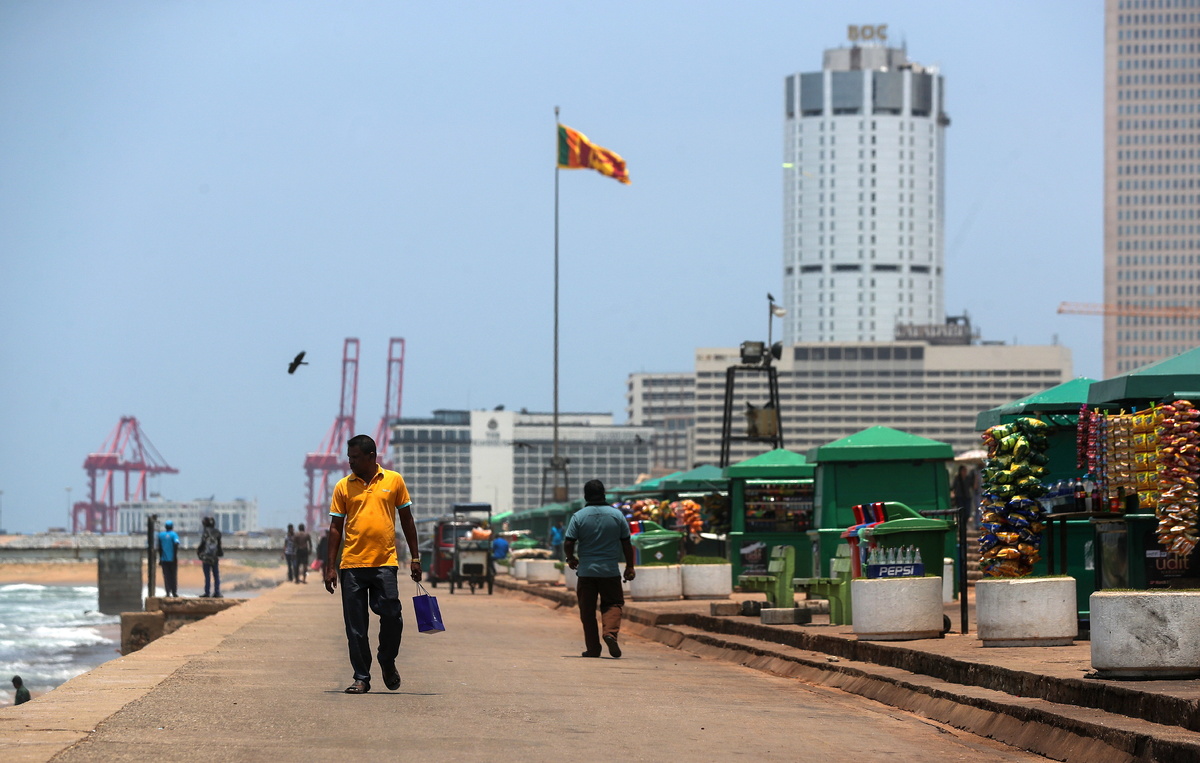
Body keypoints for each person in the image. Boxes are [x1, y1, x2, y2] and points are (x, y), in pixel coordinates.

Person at [324, 434, 421, 695]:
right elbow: (335, 528)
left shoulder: (394, 480)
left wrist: (415, 557)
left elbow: (407, 520)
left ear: (371, 457)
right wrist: (330, 566)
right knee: (356, 626)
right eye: (349, 457)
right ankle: (361, 677)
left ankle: (387, 660)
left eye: (355, 458)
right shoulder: (343, 486)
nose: (350, 462)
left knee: (392, 615)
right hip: (352, 565)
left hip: (384, 563)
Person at [565, 479, 635, 659]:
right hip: (610, 571)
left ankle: (593, 649)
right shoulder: (617, 515)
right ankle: (610, 634)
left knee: (587, 611)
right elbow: (627, 543)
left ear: (585, 496)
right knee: (613, 603)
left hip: (587, 572)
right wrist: (630, 566)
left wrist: (571, 558)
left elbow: (569, 542)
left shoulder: (578, 516)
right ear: (604, 494)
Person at [197, 516, 223, 598]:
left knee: (207, 576)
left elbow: (202, 544)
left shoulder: (205, 532)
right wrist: (219, 553)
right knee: (216, 575)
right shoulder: (218, 532)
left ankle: (207, 592)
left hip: (206, 557)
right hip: (214, 557)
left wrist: (198, 551)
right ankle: (217, 592)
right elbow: (219, 545)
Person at [157, 520, 180, 597]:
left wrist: (160, 558)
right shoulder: (174, 535)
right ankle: (174, 592)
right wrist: (174, 556)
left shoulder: (161, 535)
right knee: (173, 576)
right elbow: (176, 544)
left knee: (166, 576)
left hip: (164, 559)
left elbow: (159, 548)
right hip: (172, 559)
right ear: (172, 527)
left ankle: (167, 592)